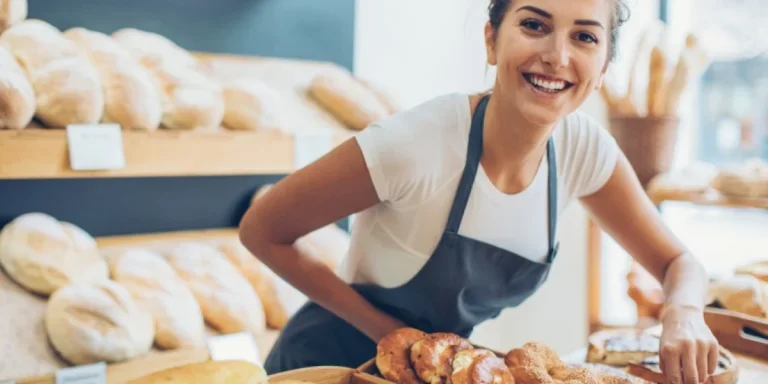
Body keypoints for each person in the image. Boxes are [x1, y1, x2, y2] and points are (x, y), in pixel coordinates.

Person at [239, 0, 719, 383]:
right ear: (492, 40)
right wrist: (393, 336)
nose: (557, 55)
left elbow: (680, 264)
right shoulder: (416, 143)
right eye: (534, 25)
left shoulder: (584, 149)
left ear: (602, 68)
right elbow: (261, 229)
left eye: (585, 36)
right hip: (327, 367)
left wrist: (684, 315)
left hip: (438, 371)